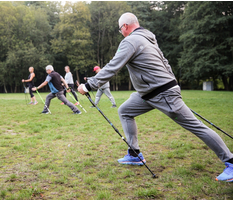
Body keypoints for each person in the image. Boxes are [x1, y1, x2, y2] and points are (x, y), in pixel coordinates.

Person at [78, 12, 233, 182]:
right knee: (125, 110)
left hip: (161, 93)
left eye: (119, 29)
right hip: (149, 94)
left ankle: (231, 162)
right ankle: (135, 154)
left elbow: (113, 66)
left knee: (196, 126)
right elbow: (166, 63)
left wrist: (88, 85)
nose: (120, 32)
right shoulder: (148, 39)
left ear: (125, 27)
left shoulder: (130, 41)